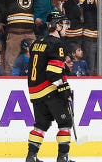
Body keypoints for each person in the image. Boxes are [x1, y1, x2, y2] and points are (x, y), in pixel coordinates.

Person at [25, 11, 74, 162]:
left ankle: (31, 156)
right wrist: (64, 89)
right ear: (57, 26)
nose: (66, 27)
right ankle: (63, 157)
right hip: (49, 91)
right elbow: (53, 73)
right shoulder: (57, 44)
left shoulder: (37, 42)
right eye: (64, 24)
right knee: (65, 123)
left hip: (35, 92)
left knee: (40, 125)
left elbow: (39, 66)